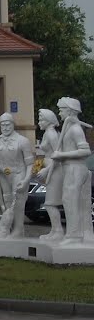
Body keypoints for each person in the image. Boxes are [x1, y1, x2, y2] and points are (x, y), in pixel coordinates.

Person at [51, 97, 92, 244]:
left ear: (70, 111)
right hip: (69, 167)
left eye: (61, 110)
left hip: (76, 168)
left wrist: (61, 155)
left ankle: (74, 235)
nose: (59, 113)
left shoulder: (75, 129)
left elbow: (85, 151)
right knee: (69, 200)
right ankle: (75, 233)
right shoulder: (68, 128)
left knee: (70, 200)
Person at [0, 112, 34, 239]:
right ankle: (9, 228)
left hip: (19, 173)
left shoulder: (22, 141)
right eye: (3, 125)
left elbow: (30, 164)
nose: (6, 128)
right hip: (4, 175)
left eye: (8, 125)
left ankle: (19, 230)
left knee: (18, 202)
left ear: (13, 125)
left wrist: (26, 180)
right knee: (7, 201)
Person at [34, 108, 62, 239]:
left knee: (50, 203)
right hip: (49, 169)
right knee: (50, 203)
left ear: (48, 121)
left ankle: (58, 231)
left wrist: (46, 170)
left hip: (54, 171)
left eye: (41, 120)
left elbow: (58, 156)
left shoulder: (51, 135)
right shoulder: (47, 134)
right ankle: (55, 230)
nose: (39, 122)